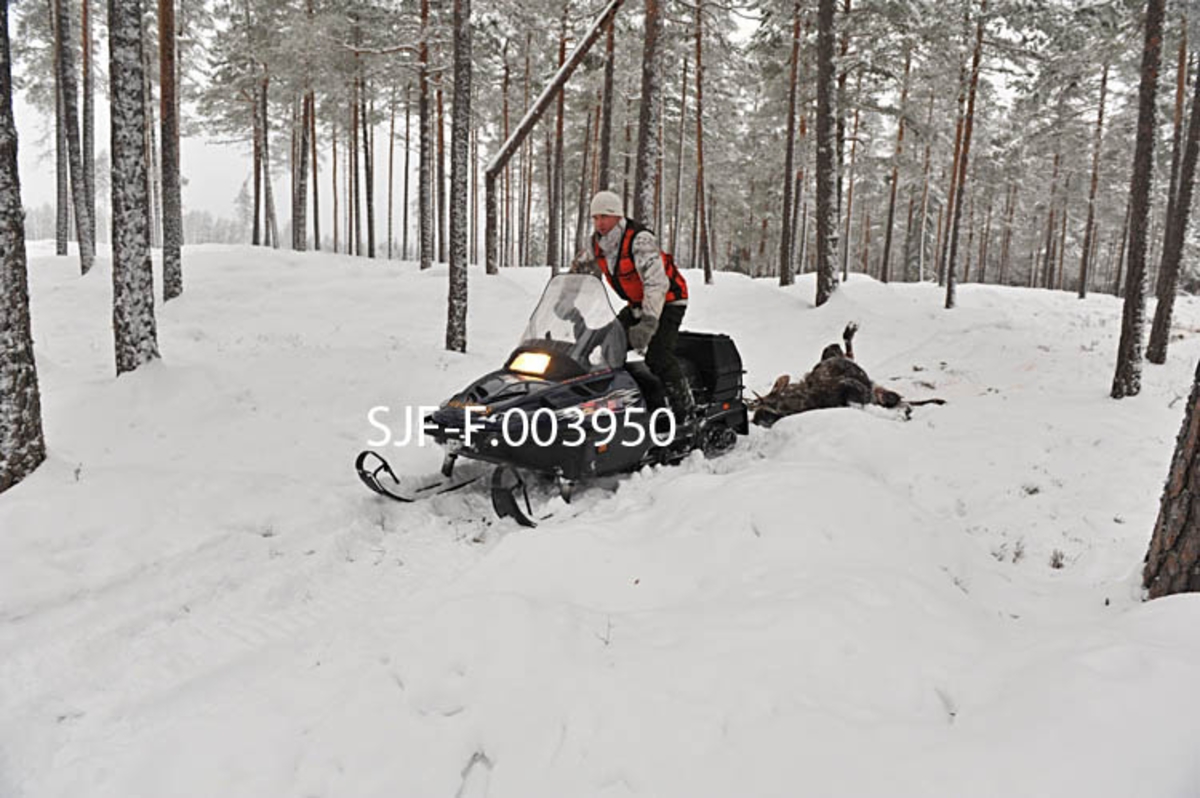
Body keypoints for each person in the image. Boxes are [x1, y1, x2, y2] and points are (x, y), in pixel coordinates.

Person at [570, 190, 695, 422]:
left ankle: (685, 412)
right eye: (595, 218)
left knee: (658, 355)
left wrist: (647, 324)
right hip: (637, 303)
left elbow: (656, 283)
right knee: (608, 345)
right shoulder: (596, 244)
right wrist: (566, 301)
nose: (599, 223)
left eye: (604, 217)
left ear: (617, 216)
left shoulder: (640, 240)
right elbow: (578, 271)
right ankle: (623, 404)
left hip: (669, 301)